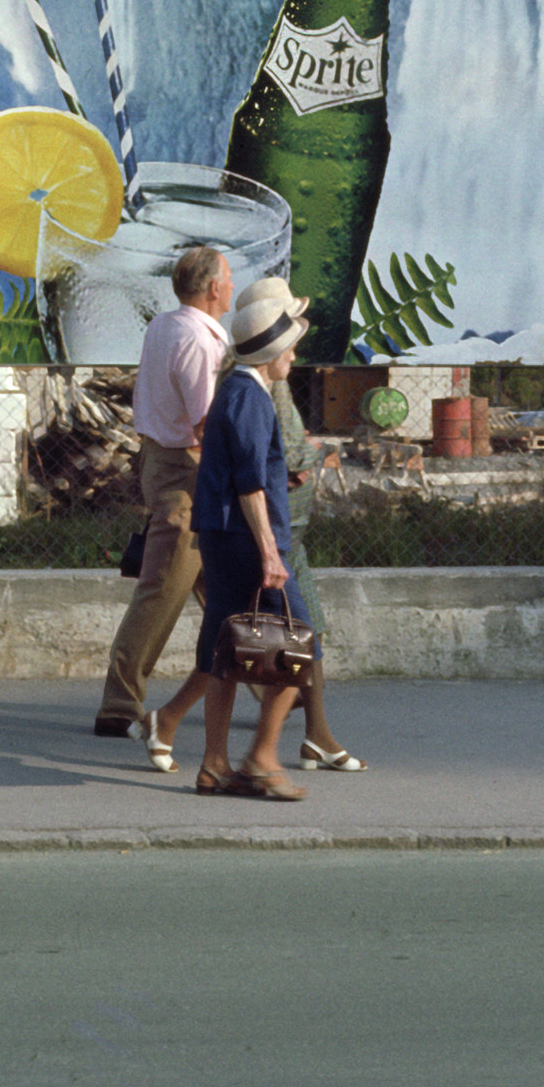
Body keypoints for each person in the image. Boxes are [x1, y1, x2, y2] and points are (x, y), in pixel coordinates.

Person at [93, 244, 234, 760]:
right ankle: (119, 702)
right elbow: (206, 423)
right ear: (214, 287)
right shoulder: (198, 341)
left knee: (221, 589)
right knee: (162, 589)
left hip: (165, 461)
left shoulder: (166, 326)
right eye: (229, 279)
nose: (233, 287)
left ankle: (270, 684)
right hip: (187, 472)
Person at [236, 277, 366, 774]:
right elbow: (284, 453)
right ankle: (177, 727)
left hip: (288, 531)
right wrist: (316, 451)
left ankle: (315, 735)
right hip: (277, 531)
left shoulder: (266, 378)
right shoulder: (264, 383)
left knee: (302, 631)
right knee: (293, 632)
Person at [189, 295, 316, 799]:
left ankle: (214, 765)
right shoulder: (250, 398)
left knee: (223, 651)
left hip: (225, 537)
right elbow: (249, 484)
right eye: (289, 348)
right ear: (269, 355)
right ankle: (261, 757)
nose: (294, 357)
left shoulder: (238, 391)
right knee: (300, 645)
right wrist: (269, 551)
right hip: (244, 541)